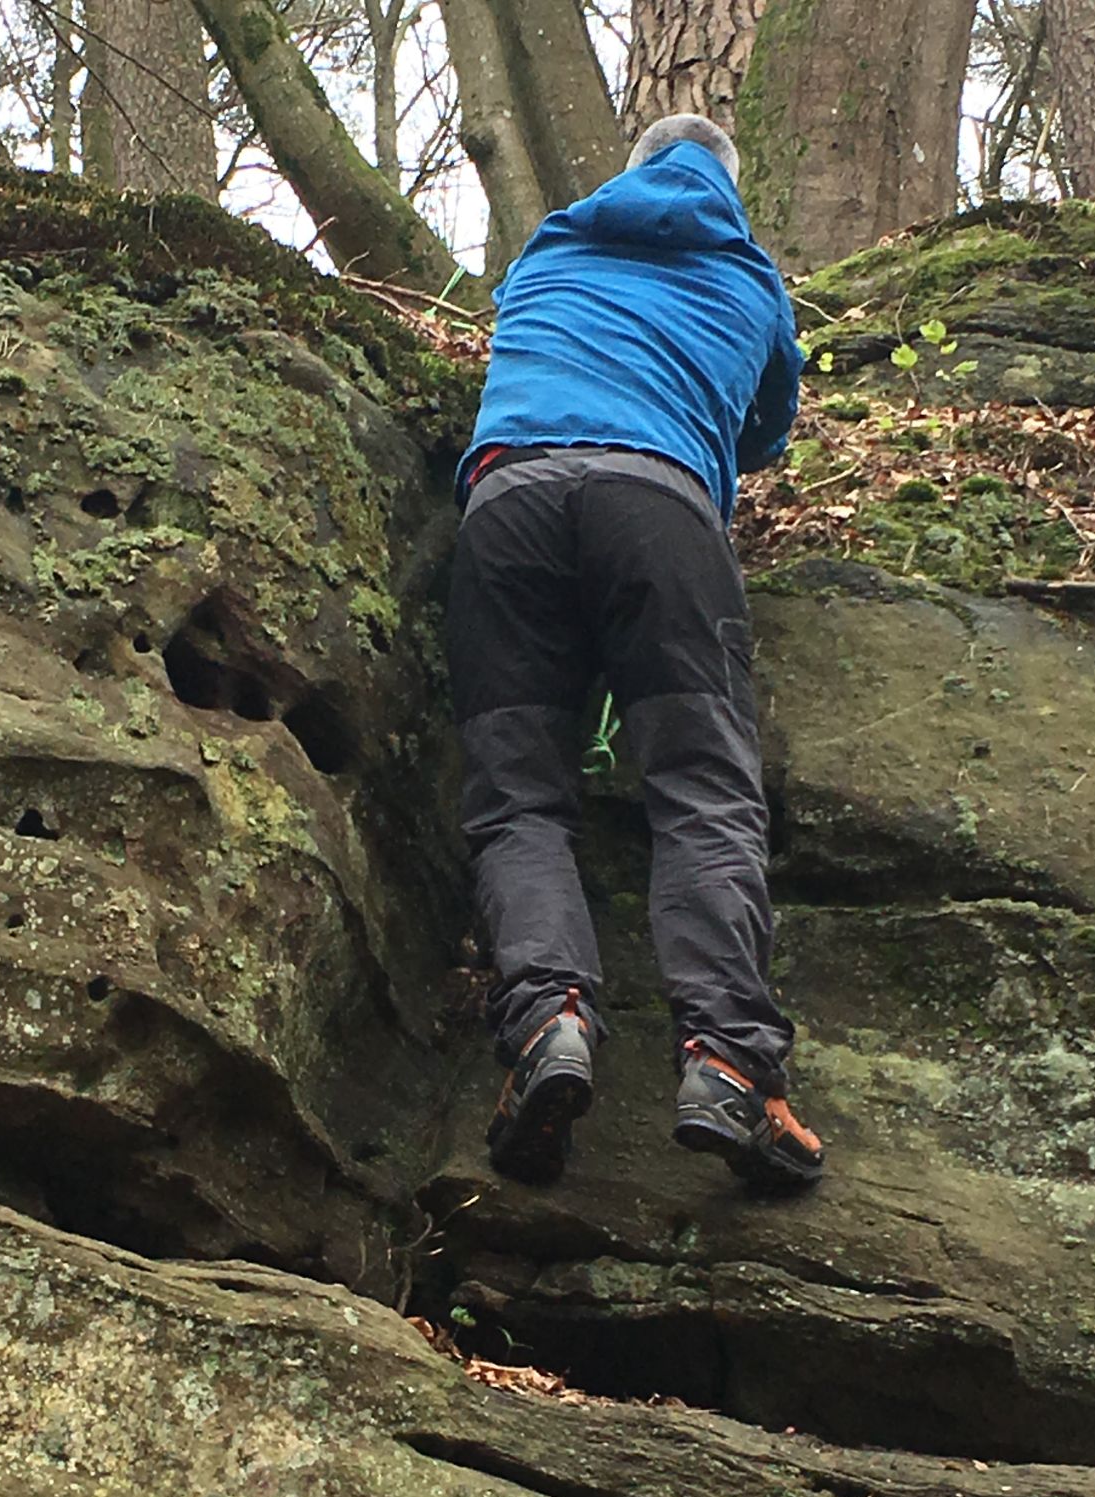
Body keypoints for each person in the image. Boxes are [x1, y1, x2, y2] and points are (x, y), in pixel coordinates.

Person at [445, 114, 824, 1191]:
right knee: (702, 788)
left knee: (518, 799)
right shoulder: (749, 280)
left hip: (509, 505)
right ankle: (729, 1065)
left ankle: (548, 1025)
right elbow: (766, 429)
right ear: (729, 186)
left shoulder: (553, 246)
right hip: (657, 510)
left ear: (634, 171)